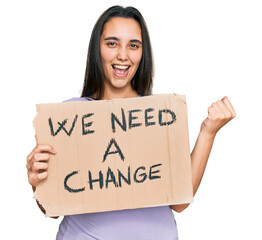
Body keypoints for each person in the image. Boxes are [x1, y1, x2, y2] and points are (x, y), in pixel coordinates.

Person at [26, 5, 236, 240]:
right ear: (98, 49)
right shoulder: (67, 118)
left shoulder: (162, 117)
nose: (123, 55)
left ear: (142, 54)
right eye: (112, 43)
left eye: (133, 45)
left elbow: (179, 203)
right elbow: (51, 209)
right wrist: (37, 183)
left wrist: (208, 132)